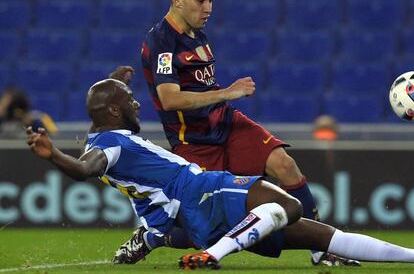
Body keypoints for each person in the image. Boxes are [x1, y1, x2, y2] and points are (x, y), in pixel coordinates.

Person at [26, 79, 414, 270]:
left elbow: (99, 130)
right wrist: (52, 155)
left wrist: (115, 79)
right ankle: (212, 253)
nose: (137, 102)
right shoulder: (109, 144)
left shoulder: (103, 134)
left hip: (195, 216)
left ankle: (164, 238)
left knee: (327, 235)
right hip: (199, 190)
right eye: (129, 100)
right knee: (290, 206)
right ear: (112, 112)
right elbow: (83, 170)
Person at [140, 0, 344, 266]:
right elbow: (169, 99)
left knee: (285, 165)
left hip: (226, 122)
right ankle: (152, 237)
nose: (208, 7)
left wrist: (223, 100)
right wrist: (227, 92)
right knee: (207, 229)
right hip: (194, 140)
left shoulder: (197, 34)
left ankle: (322, 251)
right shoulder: (162, 42)